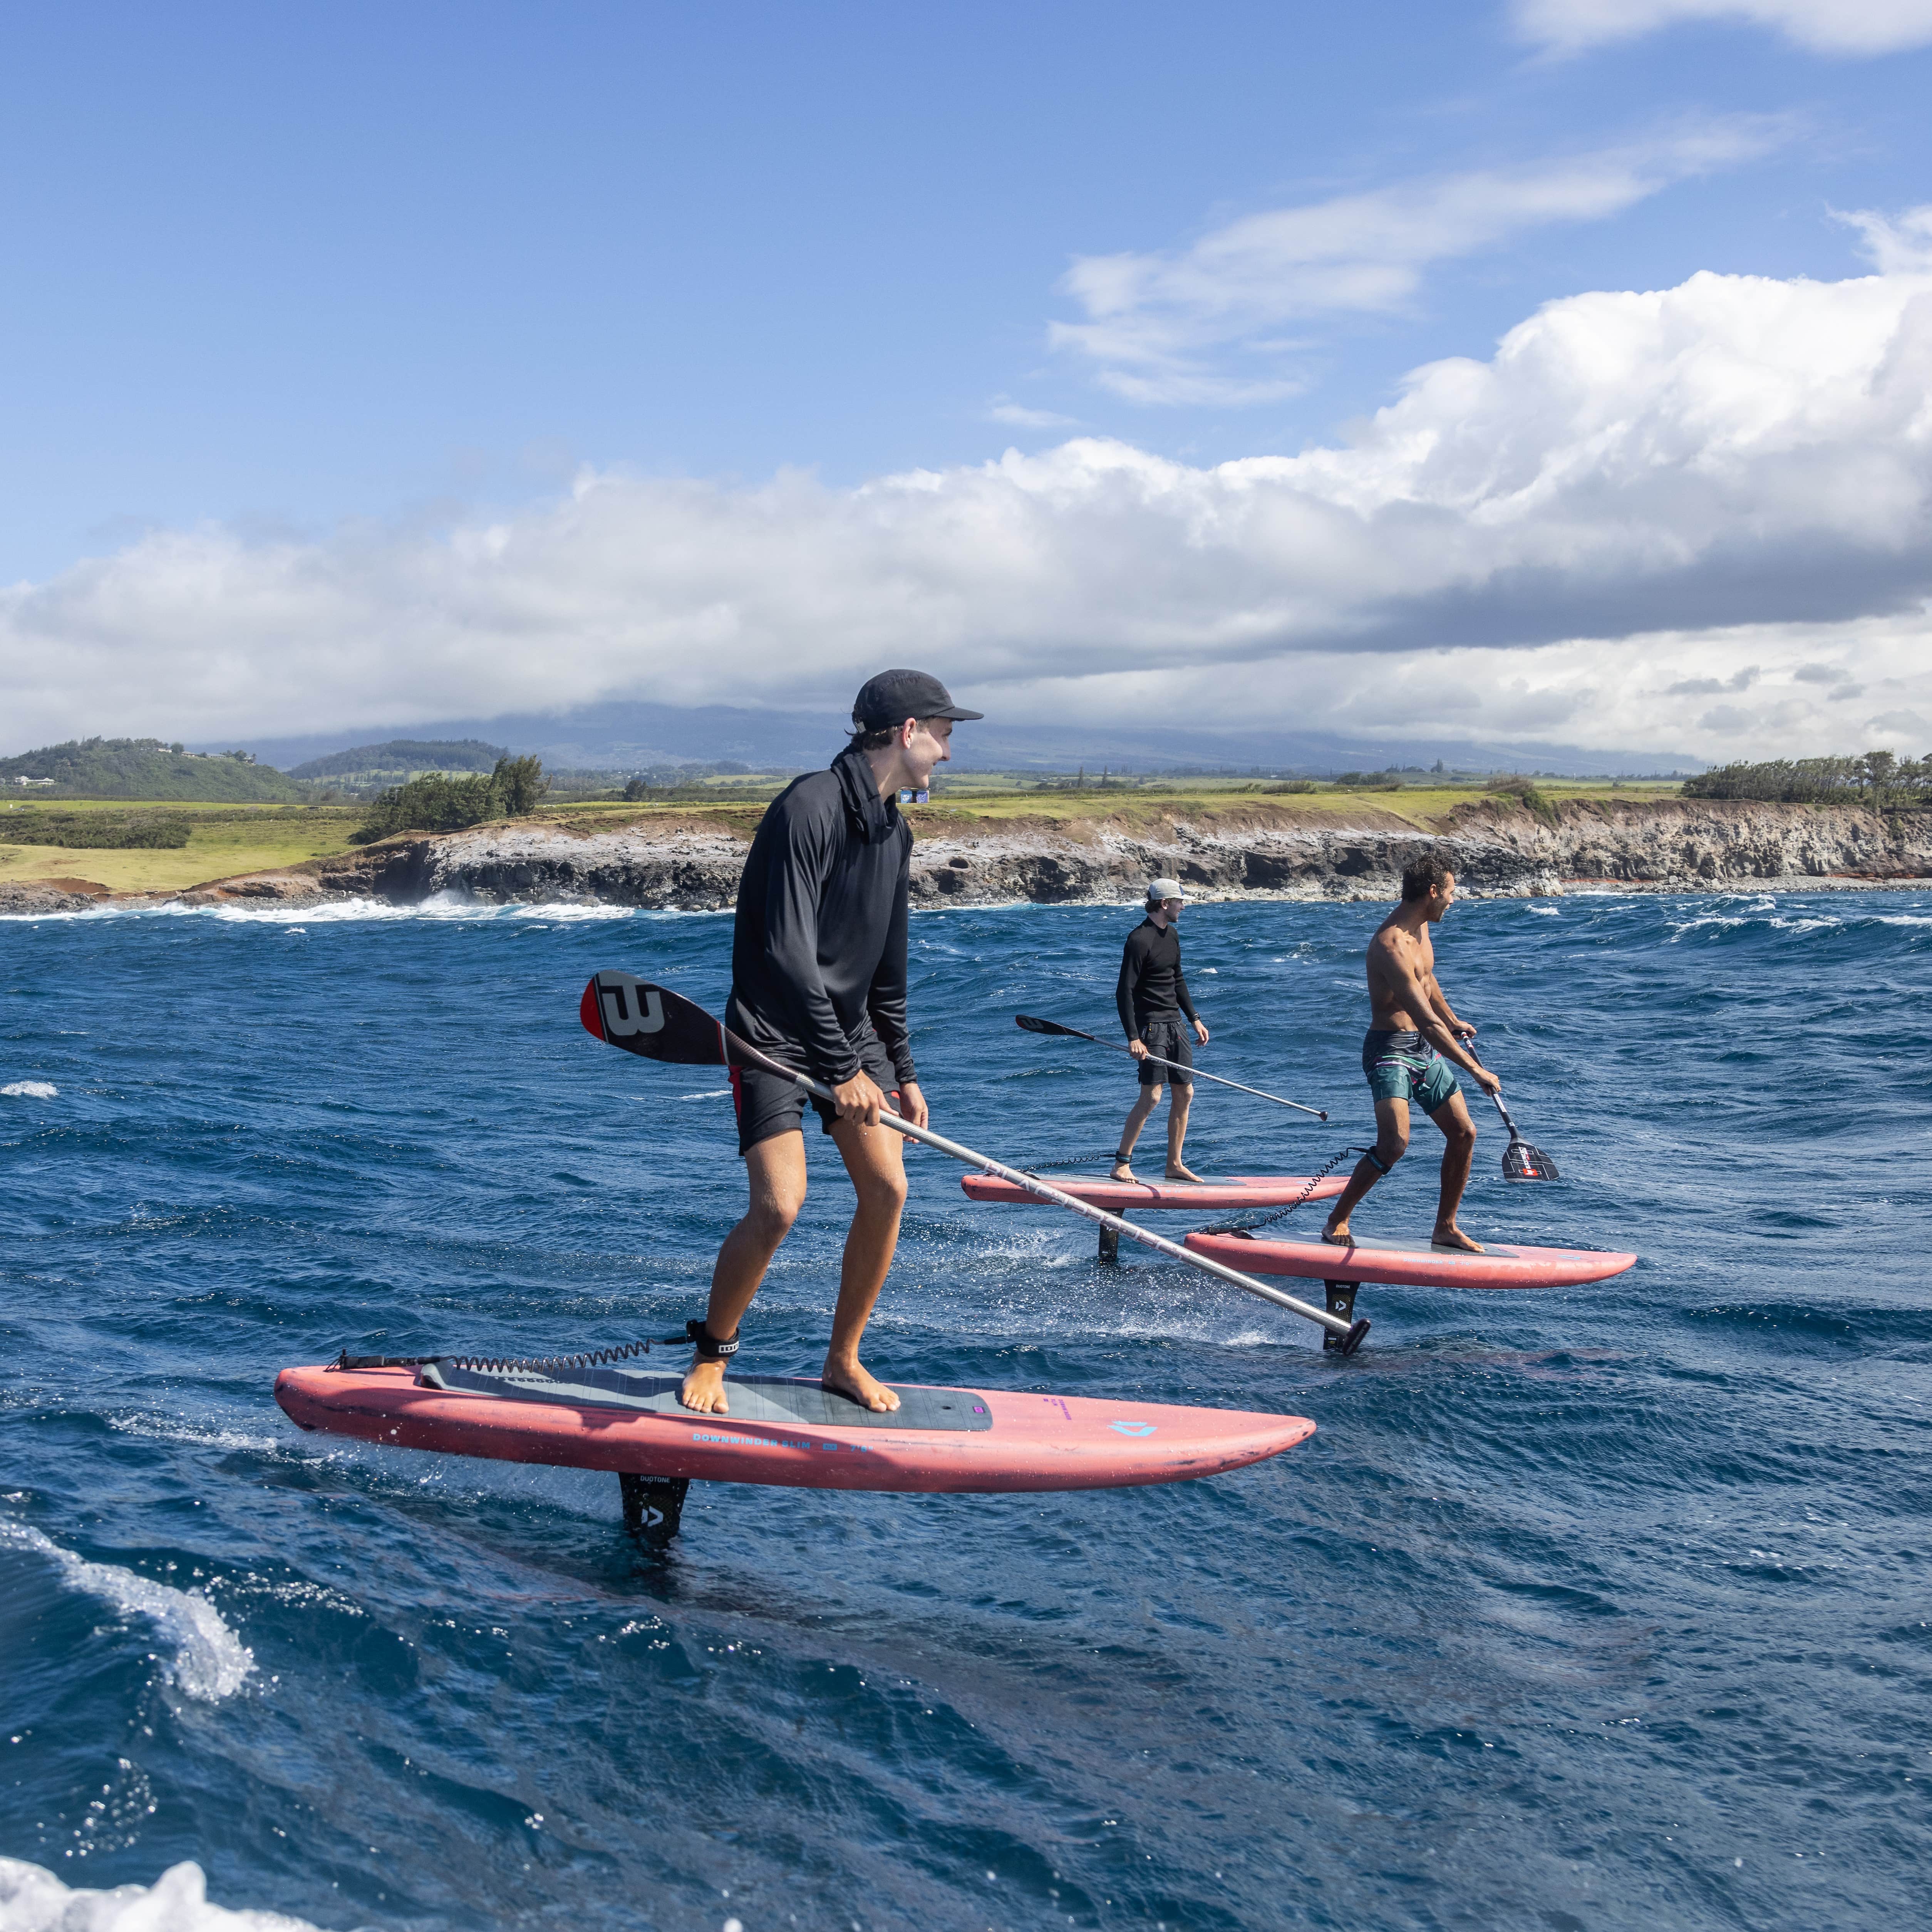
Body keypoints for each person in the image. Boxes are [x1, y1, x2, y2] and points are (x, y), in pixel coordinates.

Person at [680, 669, 982, 1417]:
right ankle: (713, 1354)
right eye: (943, 734)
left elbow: (887, 965)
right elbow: (786, 953)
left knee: (888, 1188)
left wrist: (900, 1068)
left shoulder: (894, 827)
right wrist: (844, 1069)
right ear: (907, 731)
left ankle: (842, 1359)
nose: (947, 753)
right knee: (780, 1206)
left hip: (847, 1031)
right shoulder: (808, 807)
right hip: (770, 1032)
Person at [1321, 855, 1502, 1253]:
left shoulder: (1420, 929)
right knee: (1394, 1144)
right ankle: (1337, 1219)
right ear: (1433, 892)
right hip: (1389, 1052)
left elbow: (1428, 979)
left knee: (1464, 1132)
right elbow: (1426, 1023)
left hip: (1423, 1049)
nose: (1454, 901)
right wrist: (1476, 1070)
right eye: (1452, 893)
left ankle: (1445, 1227)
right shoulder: (1390, 944)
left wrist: (1453, 1017)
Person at [1109, 878, 1211, 1185]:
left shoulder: (1173, 935)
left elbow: (1177, 979)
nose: (1184, 906)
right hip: (1150, 1027)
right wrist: (1133, 1037)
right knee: (1152, 1096)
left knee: (1185, 1092)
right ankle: (1121, 1164)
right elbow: (1123, 992)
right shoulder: (1138, 940)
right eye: (1179, 901)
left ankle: (1174, 1164)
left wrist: (1194, 1018)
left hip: (1175, 1025)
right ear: (1164, 904)